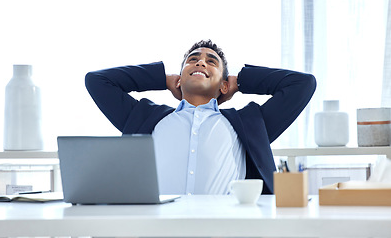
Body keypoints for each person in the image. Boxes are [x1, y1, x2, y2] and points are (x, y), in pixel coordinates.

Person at [85, 40, 316, 195]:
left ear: (224, 85)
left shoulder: (249, 123)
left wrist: (240, 81)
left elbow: (303, 84)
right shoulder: (145, 118)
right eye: (192, 60)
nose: (200, 62)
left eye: (211, 62)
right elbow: (97, 81)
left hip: (224, 229)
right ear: (179, 79)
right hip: (157, 228)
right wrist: (163, 79)